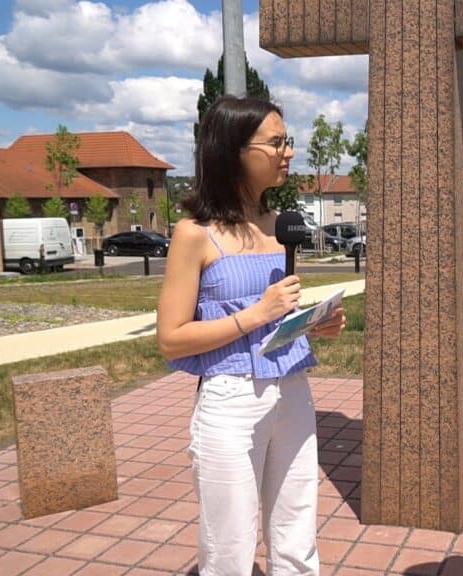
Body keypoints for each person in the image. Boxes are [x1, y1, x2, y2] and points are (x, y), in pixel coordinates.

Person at [156, 96, 345, 576]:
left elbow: (276, 316)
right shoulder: (195, 233)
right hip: (230, 401)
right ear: (233, 149)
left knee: (297, 537)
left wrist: (311, 324)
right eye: (276, 142)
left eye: (289, 141)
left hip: (294, 393)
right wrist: (257, 313)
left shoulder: (277, 226)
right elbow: (171, 339)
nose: (287, 152)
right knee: (229, 548)